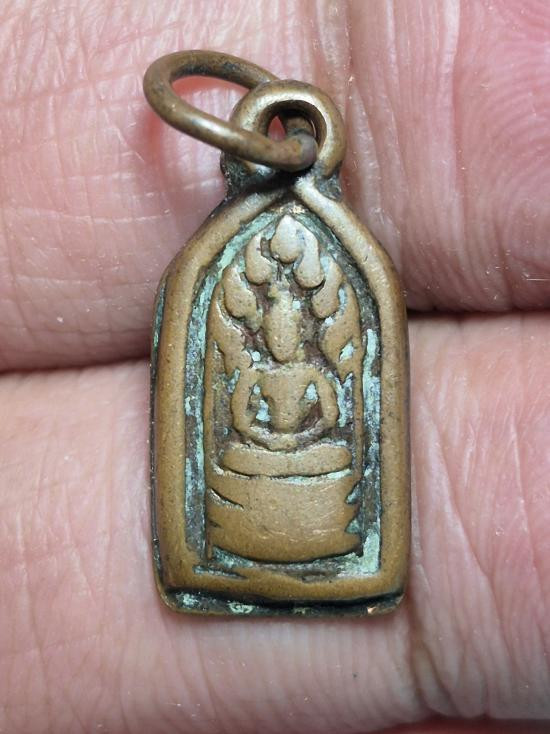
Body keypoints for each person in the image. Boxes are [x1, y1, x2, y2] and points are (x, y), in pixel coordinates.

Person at [1, 2, 549, 733]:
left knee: (330, 460)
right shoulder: (256, 369)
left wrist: (301, 440)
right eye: (277, 329)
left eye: (296, 329)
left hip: (310, 467)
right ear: (266, 327)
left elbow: (335, 414)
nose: (287, 340)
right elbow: (235, 416)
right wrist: (266, 439)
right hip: (257, 467)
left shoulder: (314, 371)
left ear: (305, 329)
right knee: (234, 459)